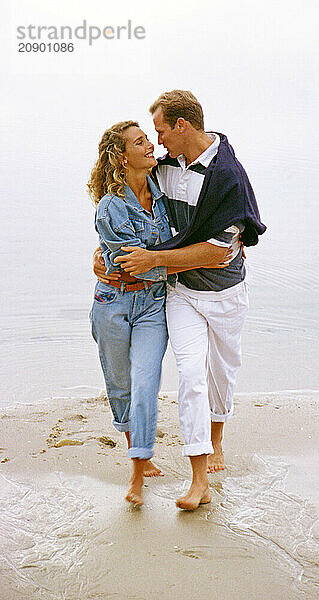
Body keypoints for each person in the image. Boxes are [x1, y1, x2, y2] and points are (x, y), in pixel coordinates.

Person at [94, 91, 266, 510]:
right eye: (149, 136)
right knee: (190, 374)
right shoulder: (163, 168)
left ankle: (217, 438)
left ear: (181, 126)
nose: (156, 142)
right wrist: (103, 257)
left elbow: (216, 250)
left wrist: (151, 260)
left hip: (225, 291)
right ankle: (198, 478)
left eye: (160, 131)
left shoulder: (226, 174)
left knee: (222, 373)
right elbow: (121, 217)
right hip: (182, 292)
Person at [88, 120, 228, 507]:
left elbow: (195, 219)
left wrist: (233, 236)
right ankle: (138, 450)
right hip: (112, 304)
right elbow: (131, 263)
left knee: (146, 382)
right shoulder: (110, 207)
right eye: (141, 141)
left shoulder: (163, 190)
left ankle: (137, 472)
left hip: (152, 303)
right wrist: (206, 260)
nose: (151, 145)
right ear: (121, 156)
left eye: (150, 137)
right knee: (121, 388)